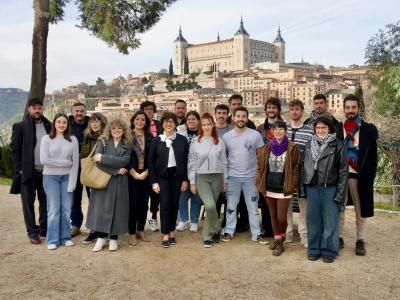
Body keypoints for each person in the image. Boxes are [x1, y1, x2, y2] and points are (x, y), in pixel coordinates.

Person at [337, 94, 378, 256]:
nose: (351, 110)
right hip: (341, 176)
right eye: (348, 107)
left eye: (353, 107)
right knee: (339, 208)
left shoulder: (368, 130)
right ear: (344, 108)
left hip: (360, 177)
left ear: (358, 108)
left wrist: (370, 178)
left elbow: (373, 158)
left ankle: (360, 240)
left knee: (361, 210)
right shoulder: (338, 128)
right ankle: (339, 237)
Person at [302, 117, 348, 263]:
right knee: (313, 221)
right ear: (315, 129)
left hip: (330, 188)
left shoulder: (338, 145)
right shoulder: (309, 144)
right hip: (312, 188)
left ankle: (329, 251)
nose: (320, 130)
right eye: (318, 128)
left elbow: (343, 172)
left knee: (330, 222)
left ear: (329, 129)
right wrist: (303, 189)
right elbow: (304, 167)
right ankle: (314, 249)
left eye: (324, 128)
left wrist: (340, 194)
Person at [86, 118, 132, 252]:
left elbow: (124, 161)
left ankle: (113, 238)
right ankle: (101, 238)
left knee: (117, 210)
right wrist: (115, 171)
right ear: (109, 130)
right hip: (103, 180)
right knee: (100, 209)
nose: (116, 130)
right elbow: (97, 162)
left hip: (119, 183)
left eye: (119, 128)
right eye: (113, 128)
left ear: (123, 130)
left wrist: (103, 158)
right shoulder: (103, 142)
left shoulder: (127, 143)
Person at [256, 120, 301, 256]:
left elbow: (296, 168)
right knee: (273, 215)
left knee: (282, 217)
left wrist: (291, 184)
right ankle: (278, 241)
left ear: (285, 131)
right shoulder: (267, 147)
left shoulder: (293, 148)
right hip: (269, 187)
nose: (278, 131)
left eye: (281, 129)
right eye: (276, 129)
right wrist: (259, 180)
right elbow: (260, 165)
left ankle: (280, 238)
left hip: (284, 188)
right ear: (272, 132)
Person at [10, 98, 52, 244]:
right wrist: (21, 170)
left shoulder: (49, 126)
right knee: (28, 203)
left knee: (45, 201)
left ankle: (44, 228)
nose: (37, 110)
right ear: (29, 109)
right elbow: (14, 150)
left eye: (39, 108)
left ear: (43, 109)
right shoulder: (20, 126)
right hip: (28, 172)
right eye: (34, 108)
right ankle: (32, 232)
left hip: (46, 171)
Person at [221, 107, 264, 242]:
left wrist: (258, 174)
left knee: (253, 206)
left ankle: (256, 233)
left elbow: (261, 157)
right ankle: (229, 231)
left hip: (251, 177)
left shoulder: (255, 135)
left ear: (247, 118)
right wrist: (225, 178)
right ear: (233, 118)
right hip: (232, 177)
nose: (241, 119)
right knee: (231, 206)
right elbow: (223, 159)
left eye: (243, 116)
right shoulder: (226, 137)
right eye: (238, 116)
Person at [148, 112, 189, 248]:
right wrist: (154, 181)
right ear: (162, 124)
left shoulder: (182, 140)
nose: (168, 124)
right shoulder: (156, 140)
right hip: (162, 176)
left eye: (171, 121)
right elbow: (151, 161)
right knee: (165, 205)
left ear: (175, 123)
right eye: (165, 121)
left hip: (177, 175)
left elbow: (186, 161)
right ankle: (165, 234)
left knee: (174, 204)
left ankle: (172, 231)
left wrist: (185, 180)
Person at [40, 113, 79, 250]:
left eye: (64, 122)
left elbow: (75, 163)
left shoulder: (72, 140)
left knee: (67, 209)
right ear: (54, 124)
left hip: (67, 178)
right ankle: (52, 239)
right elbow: (44, 160)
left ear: (67, 125)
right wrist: (64, 163)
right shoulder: (46, 139)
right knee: (54, 209)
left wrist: (73, 182)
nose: (61, 125)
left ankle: (65, 237)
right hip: (50, 177)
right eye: (59, 122)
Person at [188, 113, 227, 247]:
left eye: (208, 124)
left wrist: (225, 181)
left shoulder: (220, 141)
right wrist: (192, 182)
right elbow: (191, 163)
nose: (206, 127)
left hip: (217, 177)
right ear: (201, 126)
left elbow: (224, 162)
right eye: (203, 124)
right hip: (202, 178)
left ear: (213, 125)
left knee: (212, 207)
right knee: (209, 206)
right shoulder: (195, 141)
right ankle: (210, 233)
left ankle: (211, 232)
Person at [285, 100, 314, 248]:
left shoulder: (309, 130)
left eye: (297, 109)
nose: (295, 112)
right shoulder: (284, 129)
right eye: (292, 109)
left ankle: (304, 236)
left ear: (302, 111)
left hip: (303, 173)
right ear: (289, 111)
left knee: (304, 206)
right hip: (287, 174)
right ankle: (288, 234)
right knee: (287, 205)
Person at [226, 94, 254, 232]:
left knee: (245, 200)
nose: (236, 106)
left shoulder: (250, 125)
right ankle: (229, 224)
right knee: (231, 200)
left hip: (248, 171)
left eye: (238, 104)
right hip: (231, 170)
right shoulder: (225, 123)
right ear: (230, 106)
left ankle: (244, 222)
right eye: (234, 104)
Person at [256, 97, 283, 239]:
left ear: (278, 109)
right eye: (269, 107)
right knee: (266, 202)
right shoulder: (260, 129)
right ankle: (268, 228)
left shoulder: (286, 127)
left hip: (281, 170)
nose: (271, 110)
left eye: (274, 107)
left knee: (280, 202)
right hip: (265, 170)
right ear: (265, 109)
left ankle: (280, 230)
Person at [80, 112, 108, 244]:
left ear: (102, 123)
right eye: (92, 121)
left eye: (97, 121)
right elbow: (84, 154)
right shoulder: (86, 136)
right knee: (93, 204)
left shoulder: (106, 137)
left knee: (103, 204)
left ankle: (104, 231)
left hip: (103, 173)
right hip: (90, 173)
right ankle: (93, 230)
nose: (94, 124)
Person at [127, 111, 153, 246]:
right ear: (133, 120)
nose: (140, 122)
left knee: (144, 203)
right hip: (131, 174)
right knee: (133, 205)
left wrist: (146, 172)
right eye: (137, 119)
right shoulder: (127, 136)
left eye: (143, 120)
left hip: (146, 174)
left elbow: (153, 157)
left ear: (146, 122)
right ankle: (131, 232)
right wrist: (134, 173)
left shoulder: (149, 136)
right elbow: (124, 157)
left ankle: (141, 230)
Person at [176, 111, 203, 232]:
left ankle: (194, 221)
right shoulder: (180, 133)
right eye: (189, 120)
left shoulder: (203, 134)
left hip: (198, 170)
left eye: (193, 119)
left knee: (196, 198)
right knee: (182, 197)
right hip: (183, 170)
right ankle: (183, 220)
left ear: (198, 121)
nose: (191, 121)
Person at [140, 100, 162, 232]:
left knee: (155, 195)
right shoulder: (139, 125)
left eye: (150, 109)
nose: (148, 111)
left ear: (154, 111)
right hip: (142, 165)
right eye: (146, 109)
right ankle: (140, 221)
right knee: (142, 195)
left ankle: (153, 216)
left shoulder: (159, 125)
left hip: (157, 164)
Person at [69, 102, 89, 237]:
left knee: (94, 197)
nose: (79, 113)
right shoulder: (67, 125)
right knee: (75, 198)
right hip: (73, 167)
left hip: (90, 166)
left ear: (85, 112)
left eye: (81, 111)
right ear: (72, 112)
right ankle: (75, 225)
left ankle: (95, 225)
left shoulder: (92, 123)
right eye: (76, 111)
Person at [214, 104, 231, 227]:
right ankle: (214, 225)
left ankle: (227, 224)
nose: (221, 115)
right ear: (215, 114)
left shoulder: (232, 130)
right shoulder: (210, 129)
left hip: (230, 169)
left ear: (227, 115)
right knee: (215, 199)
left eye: (224, 113)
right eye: (219, 113)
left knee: (229, 199)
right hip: (213, 170)